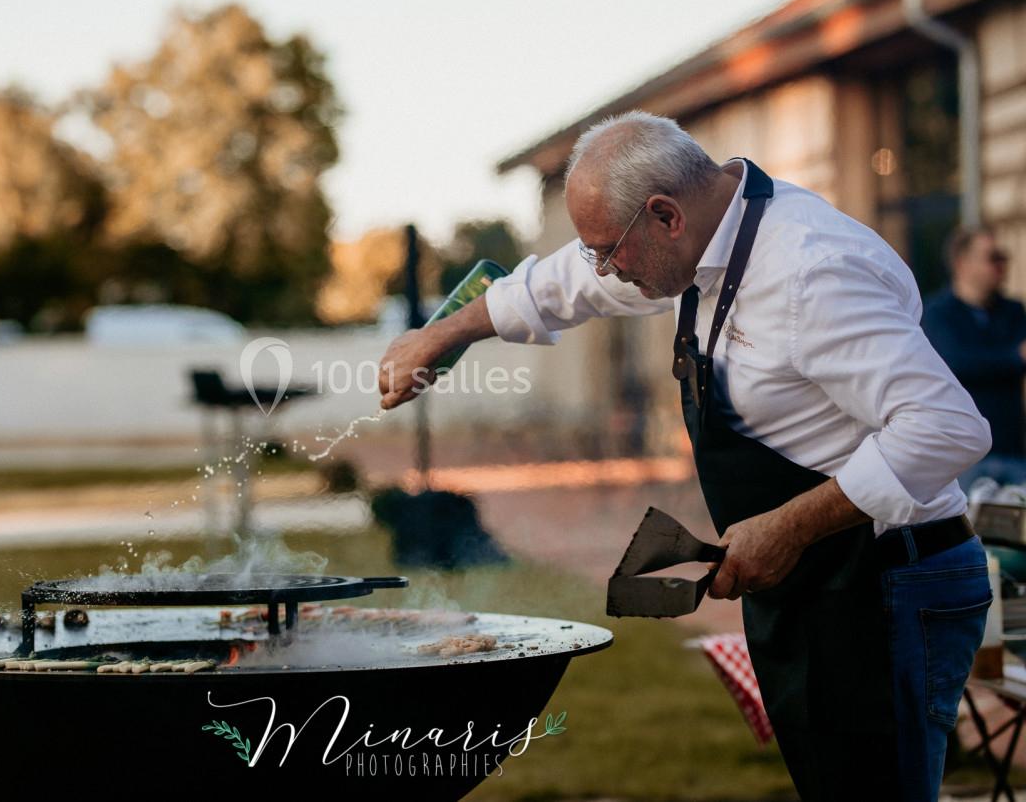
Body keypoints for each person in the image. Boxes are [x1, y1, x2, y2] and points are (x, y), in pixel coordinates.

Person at [377, 111, 994, 802]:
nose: (605, 270)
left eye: (610, 251)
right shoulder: (697, 245)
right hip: (817, 582)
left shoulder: (811, 271)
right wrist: (443, 335)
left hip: (891, 583)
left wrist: (786, 526)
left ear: (664, 215)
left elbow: (946, 428)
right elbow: (566, 283)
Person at [921, 227, 1026, 491]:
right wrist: (1013, 357)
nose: (1002, 265)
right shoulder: (937, 314)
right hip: (962, 458)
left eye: (1003, 257)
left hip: (1011, 448)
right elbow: (953, 363)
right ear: (962, 264)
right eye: (992, 257)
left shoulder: (1012, 312)